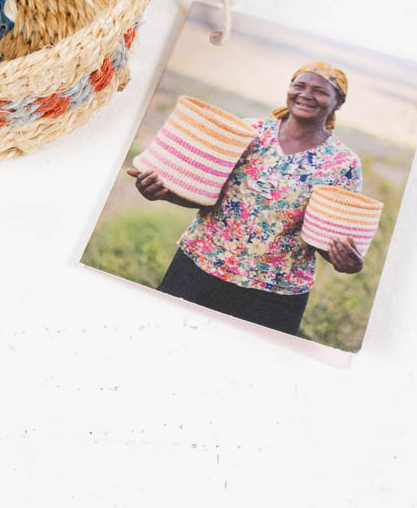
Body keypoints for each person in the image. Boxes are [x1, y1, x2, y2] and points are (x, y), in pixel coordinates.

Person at [128, 62, 364, 336]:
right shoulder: (248, 132)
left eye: (319, 91)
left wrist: (345, 260)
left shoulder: (342, 163)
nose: (306, 94)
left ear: (338, 103)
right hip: (201, 266)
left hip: (274, 294)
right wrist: (164, 193)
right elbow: (204, 196)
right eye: (299, 86)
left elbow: (328, 238)